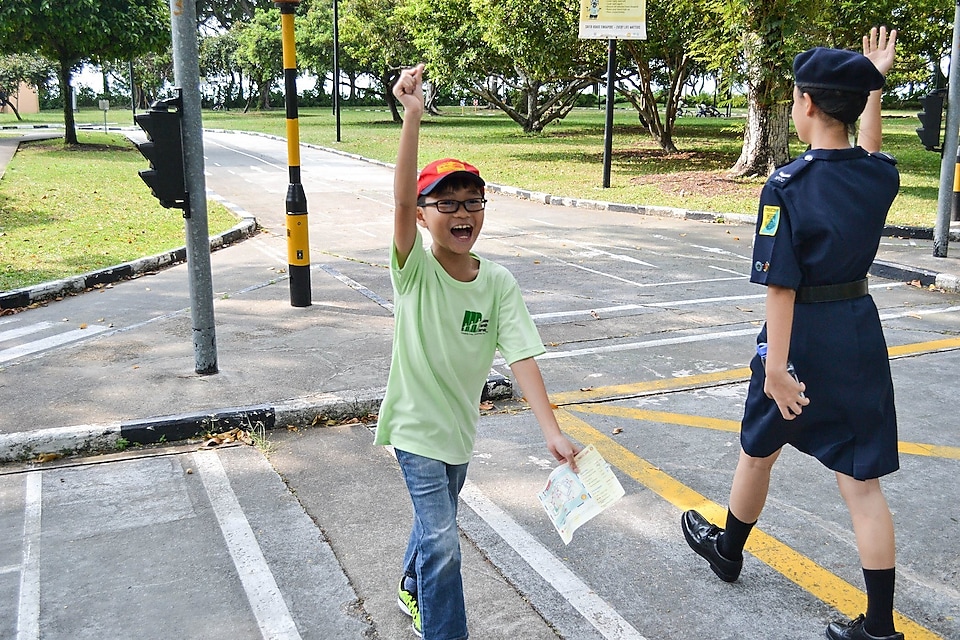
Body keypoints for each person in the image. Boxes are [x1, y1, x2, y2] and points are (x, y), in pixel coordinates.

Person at [681, 27, 904, 640]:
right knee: (862, 483)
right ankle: (880, 627)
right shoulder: (878, 176)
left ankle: (729, 548)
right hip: (858, 333)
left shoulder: (786, 185)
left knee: (760, 446)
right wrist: (872, 83)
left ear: (805, 104)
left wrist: (776, 367)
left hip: (799, 338)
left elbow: (781, 286)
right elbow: (867, 148)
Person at [376, 63, 581, 639]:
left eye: (472, 201)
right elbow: (397, 206)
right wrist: (412, 117)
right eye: (446, 204)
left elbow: (521, 356)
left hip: (458, 433)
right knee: (444, 540)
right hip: (414, 428)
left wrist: (551, 430)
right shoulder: (412, 271)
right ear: (423, 217)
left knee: (433, 524)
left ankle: (411, 586)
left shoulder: (498, 284)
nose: (462, 212)